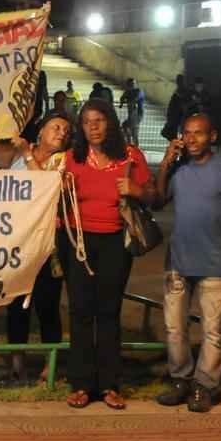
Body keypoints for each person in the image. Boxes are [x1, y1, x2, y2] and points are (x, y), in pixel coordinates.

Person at [62, 98, 155, 410]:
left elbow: (155, 196)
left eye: (99, 120)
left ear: (111, 122)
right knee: (80, 312)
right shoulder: (71, 158)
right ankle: (81, 384)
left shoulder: (130, 156)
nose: (93, 127)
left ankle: (109, 385)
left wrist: (136, 190)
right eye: (87, 122)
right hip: (78, 242)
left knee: (108, 311)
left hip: (115, 241)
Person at [153, 113, 221, 412]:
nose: (191, 138)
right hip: (177, 262)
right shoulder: (178, 169)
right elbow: (158, 200)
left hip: (214, 263)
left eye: (198, 133)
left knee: (213, 330)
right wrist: (166, 162)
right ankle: (180, 379)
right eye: (187, 133)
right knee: (174, 327)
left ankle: (204, 386)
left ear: (212, 137)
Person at [2, 112, 72, 380]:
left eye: (66, 131)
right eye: (56, 127)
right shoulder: (18, 155)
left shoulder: (63, 160)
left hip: (47, 246)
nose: (61, 133)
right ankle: (17, 360)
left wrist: (28, 156)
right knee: (16, 304)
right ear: (40, 130)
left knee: (47, 305)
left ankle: (48, 364)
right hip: (19, 241)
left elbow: (47, 188)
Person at [119, 78, 144, 146]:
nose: (131, 86)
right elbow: (122, 97)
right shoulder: (128, 91)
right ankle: (129, 143)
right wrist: (122, 103)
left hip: (137, 114)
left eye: (132, 84)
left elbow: (136, 98)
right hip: (131, 115)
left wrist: (129, 100)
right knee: (125, 126)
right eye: (129, 84)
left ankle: (135, 146)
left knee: (134, 131)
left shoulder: (139, 91)